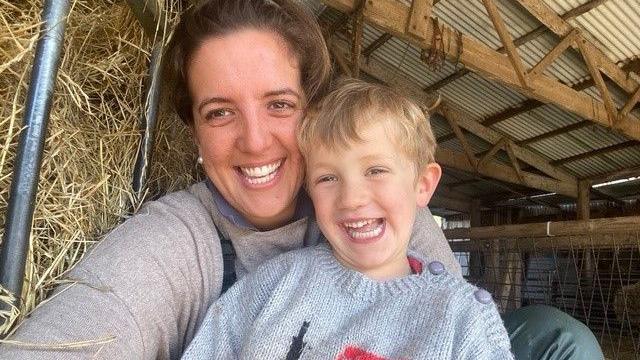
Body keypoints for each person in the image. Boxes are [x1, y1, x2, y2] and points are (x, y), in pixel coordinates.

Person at [0, 1, 460, 359]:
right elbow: (85, 328)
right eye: (219, 113)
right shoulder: (178, 241)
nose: (256, 142)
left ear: (313, 113)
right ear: (194, 133)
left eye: (279, 104)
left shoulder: (384, 217)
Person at [180, 78, 514, 359]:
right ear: (310, 190)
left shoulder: (462, 318)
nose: (351, 198)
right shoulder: (274, 285)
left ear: (422, 185)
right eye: (328, 178)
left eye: (376, 170)